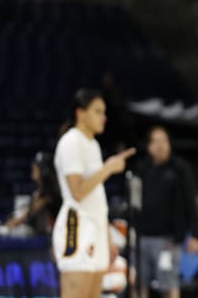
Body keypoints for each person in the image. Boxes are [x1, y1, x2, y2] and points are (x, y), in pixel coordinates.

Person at [51, 88, 135, 298]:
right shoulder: (71, 141)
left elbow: (95, 196)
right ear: (80, 112)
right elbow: (77, 191)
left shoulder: (93, 144)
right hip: (77, 226)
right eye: (97, 111)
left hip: (96, 227)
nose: (103, 117)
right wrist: (109, 168)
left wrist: (106, 235)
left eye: (104, 112)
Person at [135, 125, 198, 298]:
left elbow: (191, 203)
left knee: (169, 285)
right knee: (140, 284)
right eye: (156, 141)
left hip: (168, 240)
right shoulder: (142, 168)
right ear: (149, 146)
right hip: (143, 238)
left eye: (164, 141)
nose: (160, 145)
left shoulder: (179, 168)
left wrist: (196, 234)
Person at [6, 151, 61, 235]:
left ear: (44, 171)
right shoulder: (42, 189)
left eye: (36, 169)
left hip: (56, 234)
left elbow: (32, 211)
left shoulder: (52, 190)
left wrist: (14, 223)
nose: (33, 172)